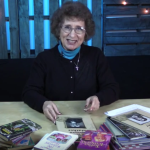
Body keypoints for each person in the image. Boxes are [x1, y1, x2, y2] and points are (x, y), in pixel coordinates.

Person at [22, 1, 119, 124]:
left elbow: (112, 88)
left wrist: (99, 98)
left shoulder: (96, 55)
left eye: (79, 29)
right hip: (53, 121)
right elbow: (28, 92)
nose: (72, 35)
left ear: (86, 33)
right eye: (67, 27)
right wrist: (43, 104)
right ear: (58, 30)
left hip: (91, 120)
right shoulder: (44, 59)